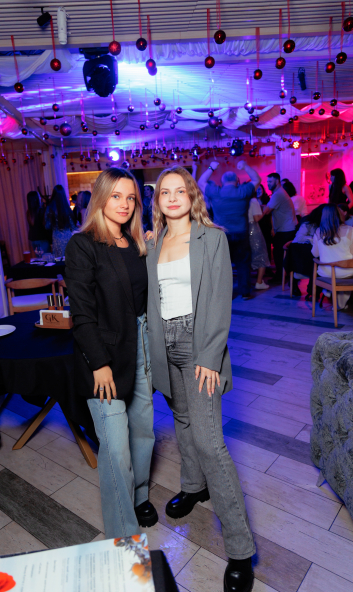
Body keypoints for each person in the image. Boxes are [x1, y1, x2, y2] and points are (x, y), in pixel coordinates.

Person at [147, 166, 256, 592]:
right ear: (157, 201)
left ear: (192, 196)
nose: (173, 197)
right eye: (165, 192)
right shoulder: (153, 242)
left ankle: (241, 550)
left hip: (199, 344)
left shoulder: (212, 238)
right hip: (164, 344)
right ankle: (194, 487)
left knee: (210, 442)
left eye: (181, 190)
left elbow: (220, 298)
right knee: (183, 421)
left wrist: (210, 355)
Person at [65, 167, 157, 539]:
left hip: (141, 344)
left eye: (130, 197)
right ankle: (123, 538)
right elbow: (82, 314)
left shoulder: (136, 244)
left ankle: (139, 495)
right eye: (116, 196)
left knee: (143, 431)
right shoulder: (83, 245)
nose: (124, 204)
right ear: (101, 197)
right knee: (116, 447)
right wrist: (99, 364)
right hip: (103, 354)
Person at [198, 160, 261, 299]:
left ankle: (225, 294)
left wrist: (211, 167)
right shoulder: (243, 191)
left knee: (222, 265)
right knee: (243, 263)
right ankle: (245, 292)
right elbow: (257, 179)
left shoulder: (216, 192)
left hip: (222, 234)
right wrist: (245, 166)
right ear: (237, 181)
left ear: (222, 181)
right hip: (241, 232)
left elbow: (201, 182)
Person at [312, 204, 353, 309]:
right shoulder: (350, 230)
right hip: (347, 272)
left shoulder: (318, 232)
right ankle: (340, 303)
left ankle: (329, 290)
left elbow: (315, 254)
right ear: (339, 214)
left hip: (326, 272)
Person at [284, 204, 325, 299]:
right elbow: (299, 238)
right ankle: (311, 289)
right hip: (300, 250)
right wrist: (313, 238)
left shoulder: (322, 224)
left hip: (311, 250)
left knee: (318, 258)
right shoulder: (308, 223)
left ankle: (313, 289)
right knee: (315, 259)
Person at [263, 173, 297, 283]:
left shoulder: (278, 194)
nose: (268, 184)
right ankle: (283, 276)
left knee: (278, 253)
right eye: (267, 182)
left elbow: (266, 211)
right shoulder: (279, 193)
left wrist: (254, 208)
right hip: (287, 228)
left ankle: (280, 277)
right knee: (280, 253)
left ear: (277, 181)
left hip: (286, 229)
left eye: (270, 182)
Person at [45, 185, 76, 257]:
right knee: (68, 257)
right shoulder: (66, 207)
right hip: (67, 236)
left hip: (56, 236)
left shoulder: (50, 208)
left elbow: (47, 226)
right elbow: (72, 226)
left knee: (58, 258)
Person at [248, 192, 271, 290]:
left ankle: (248, 282)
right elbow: (256, 218)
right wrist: (264, 211)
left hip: (245, 228)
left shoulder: (243, 199)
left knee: (248, 256)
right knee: (261, 255)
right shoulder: (254, 201)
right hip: (253, 228)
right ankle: (259, 282)